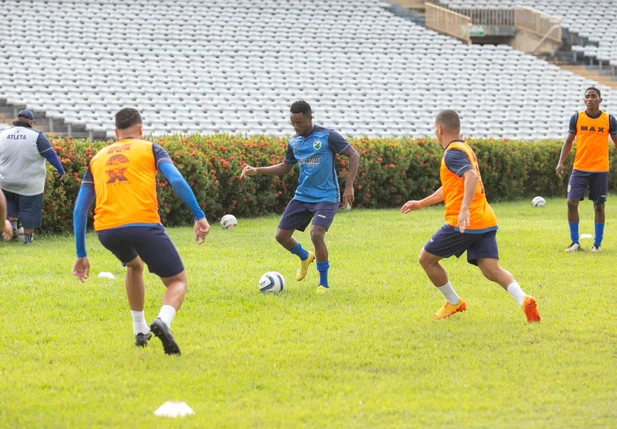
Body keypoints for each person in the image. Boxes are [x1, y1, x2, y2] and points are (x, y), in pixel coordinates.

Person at [72, 108, 210, 355]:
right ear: (141, 129)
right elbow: (176, 180)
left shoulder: (98, 158)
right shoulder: (151, 148)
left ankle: (139, 330)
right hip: (143, 224)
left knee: (134, 265)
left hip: (107, 230)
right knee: (177, 282)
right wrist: (199, 214)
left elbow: (81, 208)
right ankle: (163, 322)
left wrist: (81, 253)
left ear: (116, 133)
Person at [401, 109, 540, 323]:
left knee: (426, 259)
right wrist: (421, 203)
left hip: (464, 222)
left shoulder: (452, 153)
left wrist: (464, 208)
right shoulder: (464, 148)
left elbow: (471, 176)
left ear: (439, 129)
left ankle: (454, 302)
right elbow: (451, 187)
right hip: (485, 220)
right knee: (491, 269)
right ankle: (524, 299)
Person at [241, 100, 360, 294]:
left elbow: (353, 155)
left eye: (299, 123)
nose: (296, 127)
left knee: (316, 234)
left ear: (310, 117)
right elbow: (285, 168)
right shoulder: (294, 142)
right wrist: (257, 170)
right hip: (303, 196)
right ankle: (305, 257)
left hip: (326, 196)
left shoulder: (327, 136)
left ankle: (323, 284)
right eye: (293, 123)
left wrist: (349, 186)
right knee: (281, 236)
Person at [556, 87, 617, 252]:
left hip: (600, 170)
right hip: (579, 169)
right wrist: (560, 161)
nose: (590, 99)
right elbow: (568, 142)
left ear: (600, 100)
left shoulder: (609, 119)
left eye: (593, 96)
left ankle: (597, 244)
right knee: (571, 202)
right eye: (587, 97)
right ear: (584, 100)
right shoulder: (577, 118)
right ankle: (575, 242)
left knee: (599, 206)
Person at [0, 109, 65, 243]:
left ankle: (12, 232)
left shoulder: (3, 134)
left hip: (6, 181)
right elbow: (50, 154)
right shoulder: (37, 136)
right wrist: (60, 169)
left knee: (10, 205)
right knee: (29, 209)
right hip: (29, 184)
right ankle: (27, 239)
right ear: (31, 122)